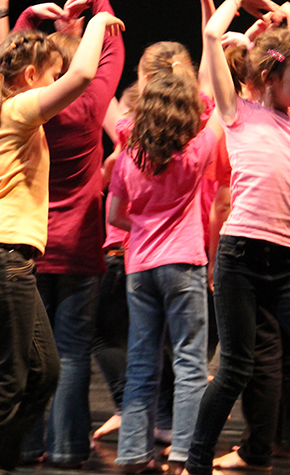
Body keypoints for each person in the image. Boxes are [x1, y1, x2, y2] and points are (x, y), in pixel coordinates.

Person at [0, 0, 125, 475]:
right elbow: (85, 76)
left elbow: (12, 58)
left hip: (0, 258)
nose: (53, 87)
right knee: (7, 378)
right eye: (48, 77)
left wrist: (27, 23)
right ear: (29, 80)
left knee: (43, 373)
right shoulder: (19, 109)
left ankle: (2, 460)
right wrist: (101, 22)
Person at [12, 0, 125, 467]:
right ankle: (67, 447)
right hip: (78, 245)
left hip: (27, 244)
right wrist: (99, 4)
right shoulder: (87, 107)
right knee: (74, 351)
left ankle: (26, 444)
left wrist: (26, 17)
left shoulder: (20, 105)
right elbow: (113, 52)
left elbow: (7, 62)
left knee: (31, 353)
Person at [183, 0, 290, 475]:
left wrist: (282, 15)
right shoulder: (237, 113)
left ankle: (258, 451)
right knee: (235, 368)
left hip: (285, 258)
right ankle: (196, 461)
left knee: (266, 363)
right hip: (242, 254)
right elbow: (210, 35)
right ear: (270, 76)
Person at [109, 66, 222, 474]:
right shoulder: (197, 149)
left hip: (139, 267)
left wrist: (144, 225)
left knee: (142, 362)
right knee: (190, 363)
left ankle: (133, 453)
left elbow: (115, 215)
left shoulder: (127, 158)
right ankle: (183, 456)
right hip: (183, 262)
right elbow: (217, 108)